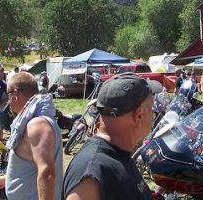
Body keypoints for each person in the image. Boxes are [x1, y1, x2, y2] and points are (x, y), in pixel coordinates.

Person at [63, 72, 163, 200]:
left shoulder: (118, 153)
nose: (153, 115)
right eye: (151, 108)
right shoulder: (92, 171)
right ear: (139, 115)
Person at [0, 71, 63, 200]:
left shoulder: (37, 125)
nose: (8, 101)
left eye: (8, 95)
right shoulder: (34, 122)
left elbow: (47, 172)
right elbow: (32, 167)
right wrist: (7, 179)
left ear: (15, 94)